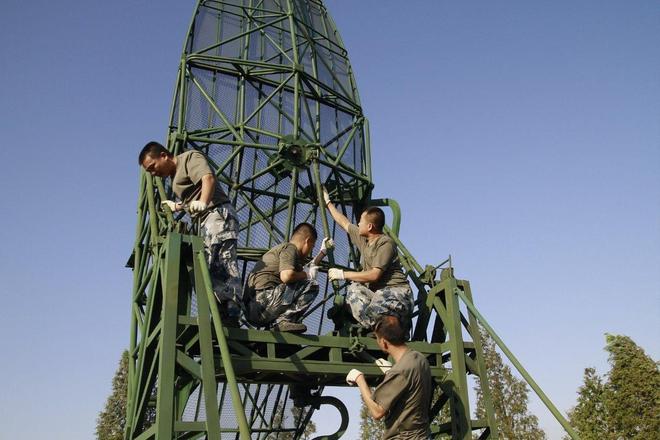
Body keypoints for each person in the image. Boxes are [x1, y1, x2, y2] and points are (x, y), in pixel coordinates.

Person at [139, 141, 242, 325]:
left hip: (218, 214)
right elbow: (192, 198)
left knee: (223, 262)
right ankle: (222, 313)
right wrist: (178, 206)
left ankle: (231, 313)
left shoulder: (188, 158)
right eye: (150, 172)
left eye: (153, 167)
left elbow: (207, 179)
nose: (154, 173)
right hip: (206, 220)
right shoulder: (173, 178)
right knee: (211, 267)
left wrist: (203, 201)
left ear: (163, 155)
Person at [322, 187, 414, 330]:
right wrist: (327, 202)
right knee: (354, 289)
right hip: (378, 296)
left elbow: (374, 275)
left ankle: (392, 329)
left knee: (371, 312)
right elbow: (344, 222)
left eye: (360, 221)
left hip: (396, 294)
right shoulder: (364, 240)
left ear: (370, 226)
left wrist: (342, 274)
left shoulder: (385, 243)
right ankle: (384, 327)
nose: (358, 224)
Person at [346, 315, 432, 439]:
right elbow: (409, 389)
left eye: (377, 338)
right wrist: (391, 372)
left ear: (384, 343)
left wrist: (360, 379)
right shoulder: (420, 358)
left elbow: (377, 412)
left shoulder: (400, 371)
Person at [244, 223, 330, 333]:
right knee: (312, 285)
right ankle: (282, 322)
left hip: (253, 309)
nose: (310, 251)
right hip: (261, 304)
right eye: (312, 247)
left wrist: (322, 253)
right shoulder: (290, 248)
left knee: (303, 280)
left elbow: (305, 269)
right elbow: (287, 276)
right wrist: (308, 275)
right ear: (307, 241)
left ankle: (277, 324)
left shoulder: (282, 250)